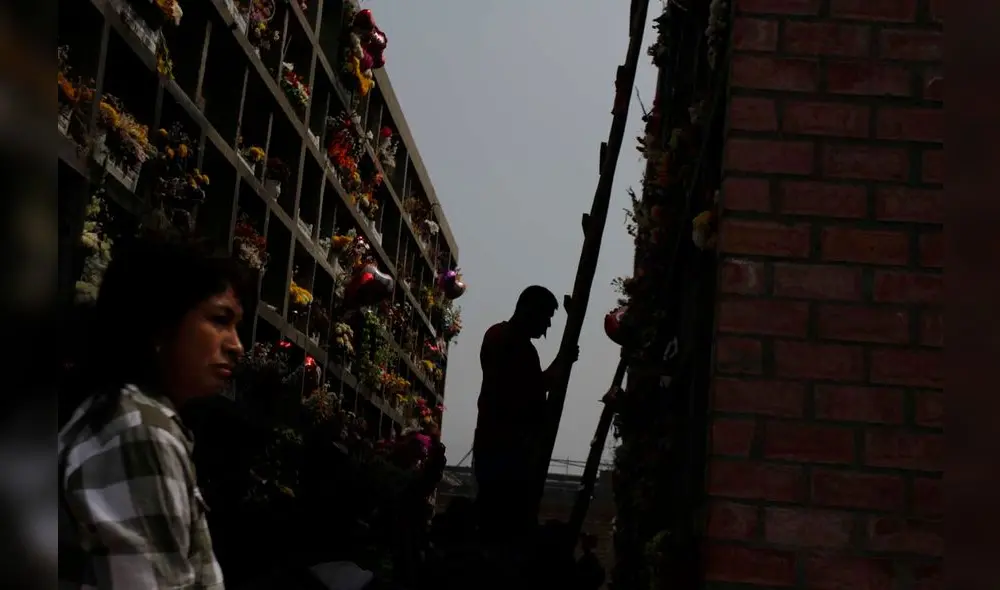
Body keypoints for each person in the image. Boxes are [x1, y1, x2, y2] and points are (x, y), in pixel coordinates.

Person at [58, 234, 252, 589]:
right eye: (220, 320)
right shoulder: (140, 430)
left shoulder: (129, 415)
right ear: (160, 324)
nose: (236, 346)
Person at [473, 285, 579, 545]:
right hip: (504, 450)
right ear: (530, 312)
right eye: (546, 319)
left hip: (503, 448)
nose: (546, 329)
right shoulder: (507, 342)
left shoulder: (504, 339)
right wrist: (563, 359)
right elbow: (534, 387)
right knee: (505, 524)